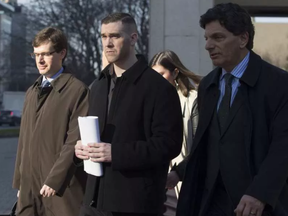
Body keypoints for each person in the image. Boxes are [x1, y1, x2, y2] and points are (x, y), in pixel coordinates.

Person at [176, 3, 288, 216]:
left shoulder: (279, 84)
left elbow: (283, 147)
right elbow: (206, 143)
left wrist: (260, 193)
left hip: (256, 205)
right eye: (206, 38)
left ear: (243, 39)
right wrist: (178, 173)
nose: (208, 46)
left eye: (218, 37)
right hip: (211, 203)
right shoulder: (208, 85)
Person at [74, 12, 183, 216]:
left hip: (135, 204)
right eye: (103, 36)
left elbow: (169, 144)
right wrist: (80, 149)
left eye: (114, 36)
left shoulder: (158, 88)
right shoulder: (97, 86)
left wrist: (116, 153)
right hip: (93, 202)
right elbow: (95, 136)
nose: (107, 43)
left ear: (133, 38)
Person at [12, 27, 89, 216]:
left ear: (62, 53)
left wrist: (55, 180)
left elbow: (75, 141)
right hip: (30, 190)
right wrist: (20, 183)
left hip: (61, 189)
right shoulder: (32, 91)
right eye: (36, 54)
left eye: (46, 54)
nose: (40, 60)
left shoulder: (77, 90)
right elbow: (23, 142)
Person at [150, 50, 201, 215]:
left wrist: (179, 173)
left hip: (181, 181)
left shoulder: (192, 100)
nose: (156, 80)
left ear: (175, 72)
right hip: (158, 181)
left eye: (161, 74)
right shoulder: (151, 102)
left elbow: (198, 146)